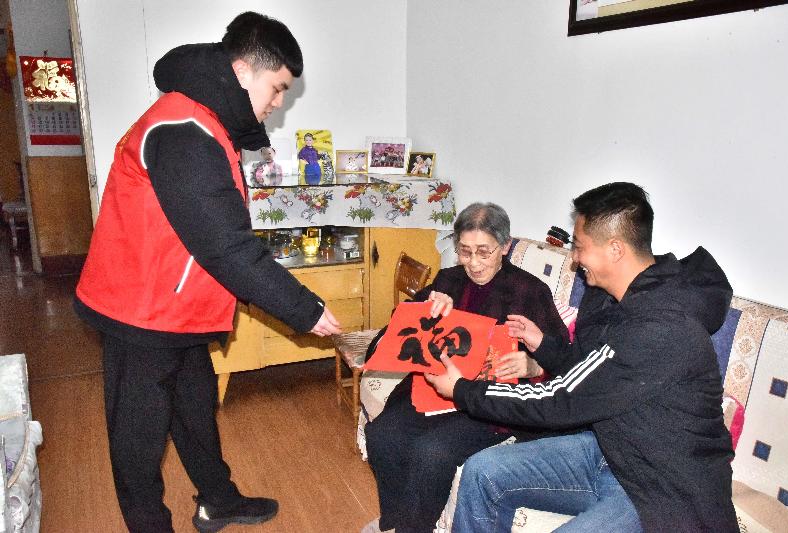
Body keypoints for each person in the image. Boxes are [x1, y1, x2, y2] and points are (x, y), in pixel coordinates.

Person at [73, 12, 341, 533]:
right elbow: (225, 246)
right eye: (277, 88)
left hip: (178, 308)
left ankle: (218, 500)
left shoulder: (206, 119)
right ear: (242, 72)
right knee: (138, 438)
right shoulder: (184, 129)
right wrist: (305, 309)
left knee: (195, 410)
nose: (278, 102)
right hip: (140, 311)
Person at [426, 182, 738, 532]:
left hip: (661, 488)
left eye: (578, 247)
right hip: (608, 453)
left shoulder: (662, 327)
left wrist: (463, 390)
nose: (573, 258)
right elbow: (589, 367)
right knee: (483, 471)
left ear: (615, 249)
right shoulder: (610, 299)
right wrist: (543, 344)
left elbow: (559, 399)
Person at [363, 202, 569, 533]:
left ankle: (414, 528)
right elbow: (399, 327)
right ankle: (397, 522)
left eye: (484, 252)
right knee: (383, 435)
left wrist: (534, 367)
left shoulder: (529, 291)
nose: (473, 262)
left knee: (432, 452)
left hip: (489, 402)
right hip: (434, 390)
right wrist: (426, 308)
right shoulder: (449, 279)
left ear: (504, 247)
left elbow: (564, 358)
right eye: (464, 251)